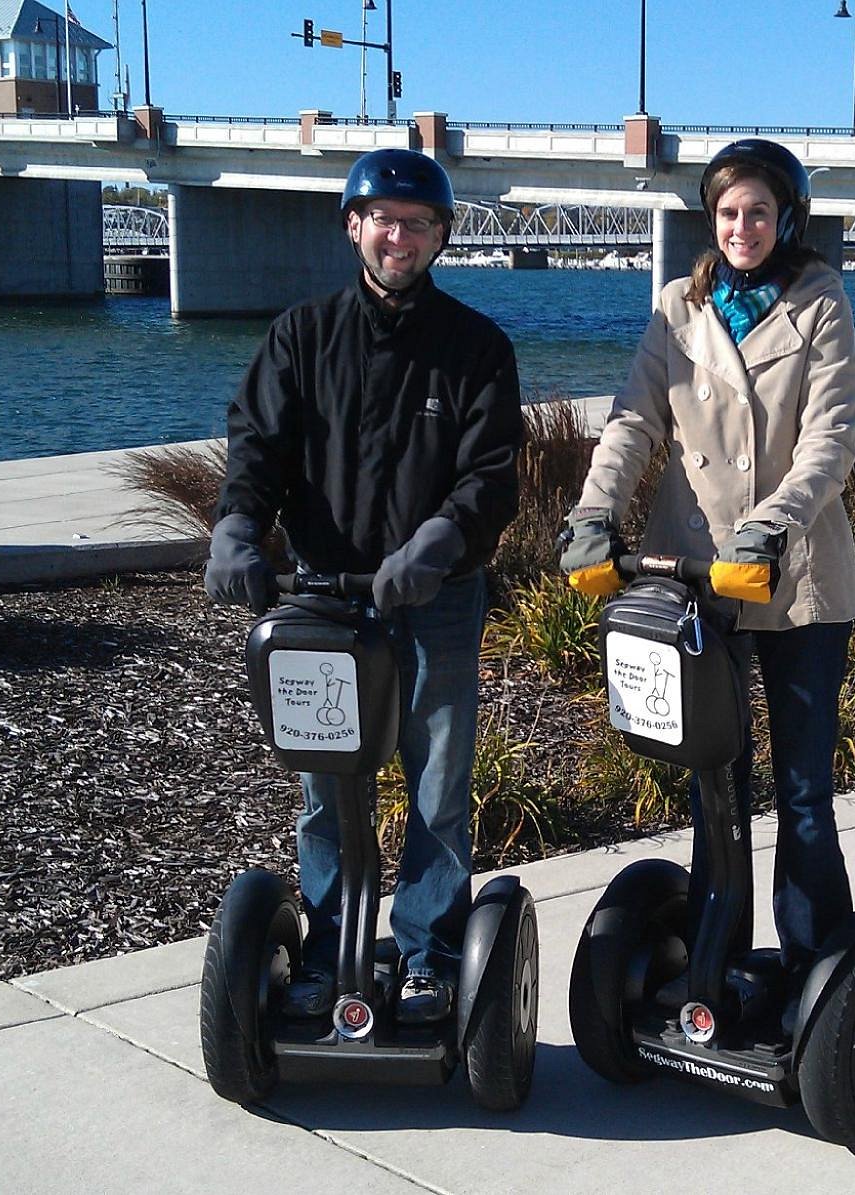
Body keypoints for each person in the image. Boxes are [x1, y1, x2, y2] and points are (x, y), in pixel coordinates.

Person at [206, 147, 523, 1025]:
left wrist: (443, 538)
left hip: (436, 596)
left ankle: (427, 953)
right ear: (354, 226)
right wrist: (239, 523)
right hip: (322, 596)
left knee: (437, 783)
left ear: (441, 238)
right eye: (383, 218)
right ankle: (329, 945)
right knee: (325, 788)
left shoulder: (477, 349)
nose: (399, 235)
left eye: (417, 223)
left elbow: (492, 473)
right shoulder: (301, 337)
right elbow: (256, 446)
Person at [559, 138, 855, 979]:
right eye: (729, 212)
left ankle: (813, 981)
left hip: (796, 578)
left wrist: (772, 524)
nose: (743, 227)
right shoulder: (677, 309)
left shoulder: (821, 302)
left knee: (803, 795)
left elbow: (831, 440)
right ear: (712, 217)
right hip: (697, 580)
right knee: (715, 784)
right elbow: (633, 422)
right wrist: (594, 511)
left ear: (785, 217)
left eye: (759, 211)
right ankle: (713, 966)